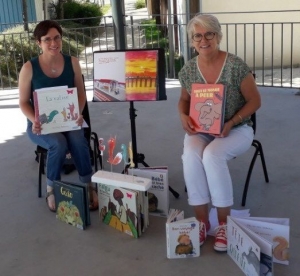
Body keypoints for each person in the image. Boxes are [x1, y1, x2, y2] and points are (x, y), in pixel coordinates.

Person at [178, 14, 261, 252]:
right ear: (192, 41)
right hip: (202, 128)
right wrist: (183, 116)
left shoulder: (235, 65)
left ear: (218, 36)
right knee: (191, 154)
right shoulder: (189, 68)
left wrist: (233, 120)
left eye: (209, 34)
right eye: (198, 36)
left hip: (237, 128)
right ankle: (202, 222)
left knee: (212, 155)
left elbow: (255, 100)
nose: (204, 40)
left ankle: (224, 224)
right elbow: (183, 100)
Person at [18, 20, 98, 212]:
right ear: (38, 42)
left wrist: (78, 113)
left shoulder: (73, 62)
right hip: (40, 125)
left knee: (78, 138)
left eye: (57, 38)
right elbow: (23, 102)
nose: (53, 43)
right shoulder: (29, 68)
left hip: (68, 119)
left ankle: (87, 184)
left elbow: (80, 93)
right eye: (47, 40)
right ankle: (52, 189)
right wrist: (34, 121)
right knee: (58, 143)